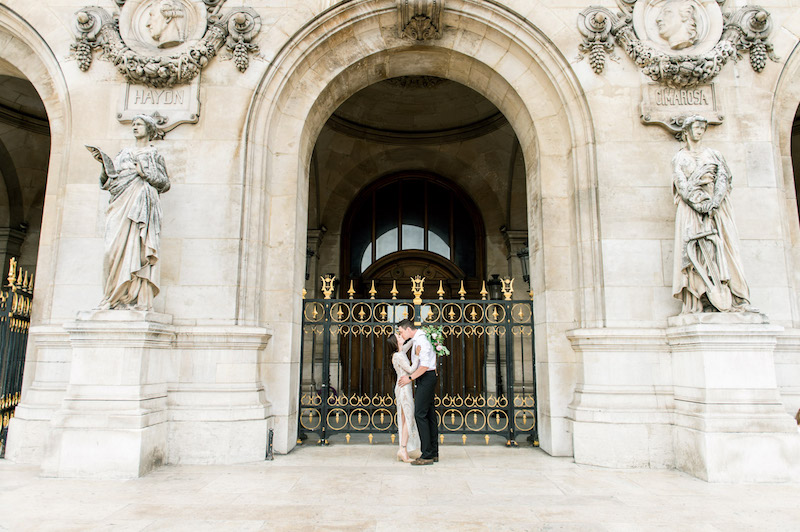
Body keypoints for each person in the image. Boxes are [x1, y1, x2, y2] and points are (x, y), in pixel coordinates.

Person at [671, 115, 753, 314]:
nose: (700, 131)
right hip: (693, 210)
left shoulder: (714, 154)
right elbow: (682, 186)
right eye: (696, 127)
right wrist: (700, 204)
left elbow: (724, 178)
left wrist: (714, 202)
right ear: (687, 131)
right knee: (697, 252)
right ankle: (704, 296)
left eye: (702, 128)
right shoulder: (680, 158)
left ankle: (733, 294)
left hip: (717, 209)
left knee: (725, 247)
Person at [88, 115, 170, 311]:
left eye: (139, 124)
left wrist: (145, 174)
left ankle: (134, 296)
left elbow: (165, 183)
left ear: (149, 129)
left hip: (141, 205)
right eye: (133, 124)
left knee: (137, 249)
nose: (135, 127)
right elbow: (111, 181)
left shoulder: (154, 154)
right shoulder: (123, 153)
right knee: (112, 251)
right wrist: (103, 166)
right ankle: (111, 295)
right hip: (121, 204)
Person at [397, 318, 438, 465]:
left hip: (426, 376)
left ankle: (427, 455)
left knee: (420, 414)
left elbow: (424, 366)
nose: (400, 335)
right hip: (425, 377)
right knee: (429, 414)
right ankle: (433, 452)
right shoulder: (417, 339)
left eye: (401, 332)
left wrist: (409, 378)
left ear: (408, 329)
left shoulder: (421, 341)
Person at [388, 332, 420, 462]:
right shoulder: (398, 356)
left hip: (402, 388)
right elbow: (411, 369)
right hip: (404, 389)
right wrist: (417, 356)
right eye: (399, 337)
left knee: (404, 418)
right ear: (396, 342)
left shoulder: (400, 352)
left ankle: (403, 449)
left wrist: (417, 335)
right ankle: (403, 449)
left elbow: (408, 344)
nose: (402, 337)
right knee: (408, 418)